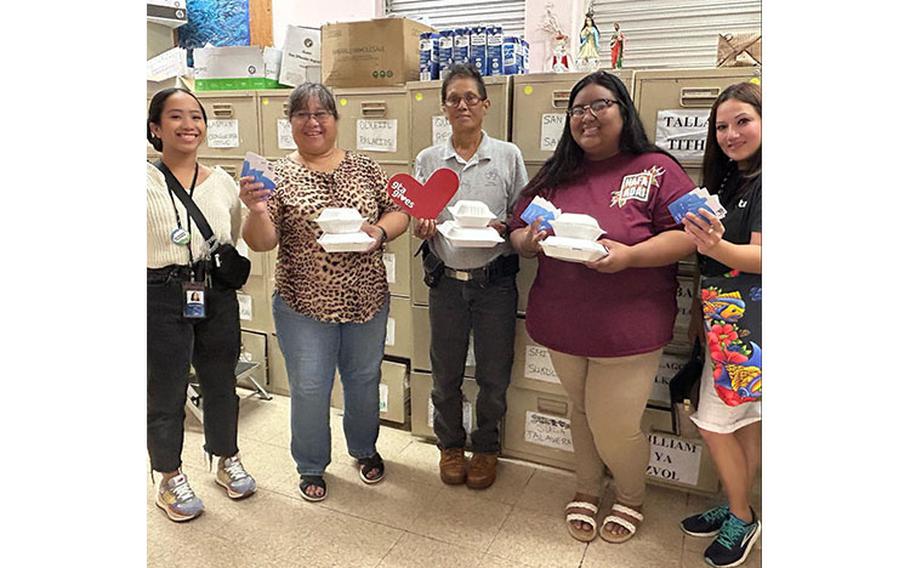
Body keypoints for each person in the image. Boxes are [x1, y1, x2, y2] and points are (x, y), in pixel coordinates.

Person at [508, 70, 695, 544]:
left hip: (629, 325)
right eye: (577, 109)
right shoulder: (556, 173)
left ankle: (630, 496)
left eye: (599, 105)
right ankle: (587, 488)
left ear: (623, 110)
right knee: (580, 411)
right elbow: (517, 229)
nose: (587, 117)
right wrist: (528, 240)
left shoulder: (655, 168)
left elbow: (689, 234)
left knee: (614, 424)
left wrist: (630, 255)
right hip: (562, 319)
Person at [240, 82, 410, 503]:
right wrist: (257, 210)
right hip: (303, 304)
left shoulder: (366, 168)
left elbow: (400, 211)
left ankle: (364, 448)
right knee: (311, 386)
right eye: (302, 114)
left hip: (366, 298)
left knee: (364, 378)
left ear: (336, 119)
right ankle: (312, 464)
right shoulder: (275, 175)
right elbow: (262, 243)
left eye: (322, 114)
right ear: (290, 122)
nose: (313, 122)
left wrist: (380, 231)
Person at [413, 63, 528, 490]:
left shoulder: (507, 155)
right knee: (445, 374)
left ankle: (486, 448)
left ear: (485, 104)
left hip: (494, 282)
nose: (463, 105)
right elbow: (419, 213)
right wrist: (422, 225)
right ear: (444, 107)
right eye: (454, 99)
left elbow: (521, 213)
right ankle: (450, 445)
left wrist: (506, 227)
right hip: (446, 281)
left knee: (494, 375)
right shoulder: (429, 159)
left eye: (470, 98)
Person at [147, 87, 257, 523]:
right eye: (176, 116)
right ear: (156, 128)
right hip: (159, 292)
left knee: (220, 381)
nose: (188, 124)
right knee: (166, 388)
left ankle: (224, 457)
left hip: (213, 292)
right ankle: (168, 474)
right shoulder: (138, 179)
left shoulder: (224, 182)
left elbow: (230, 234)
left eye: (196, 116)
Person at [678, 82, 762, 568]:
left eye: (743, 122)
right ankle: (740, 503)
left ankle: (742, 517)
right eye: (722, 126)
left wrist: (714, 247)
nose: (731, 134)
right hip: (725, 320)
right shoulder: (733, 178)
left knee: (712, 421)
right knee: (745, 423)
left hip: (749, 327)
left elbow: (763, 255)